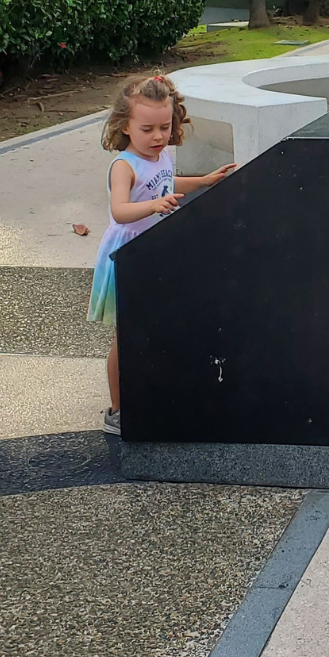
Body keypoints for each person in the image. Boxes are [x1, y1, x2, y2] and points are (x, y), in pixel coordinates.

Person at [88, 74, 235, 435]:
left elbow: (166, 182)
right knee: (125, 336)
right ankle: (118, 409)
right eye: (147, 129)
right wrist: (154, 205)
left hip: (155, 251)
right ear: (126, 126)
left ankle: (154, 390)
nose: (157, 137)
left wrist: (202, 181)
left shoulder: (162, 155)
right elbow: (120, 210)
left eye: (164, 128)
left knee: (156, 327)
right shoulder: (124, 165)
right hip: (127, 256)